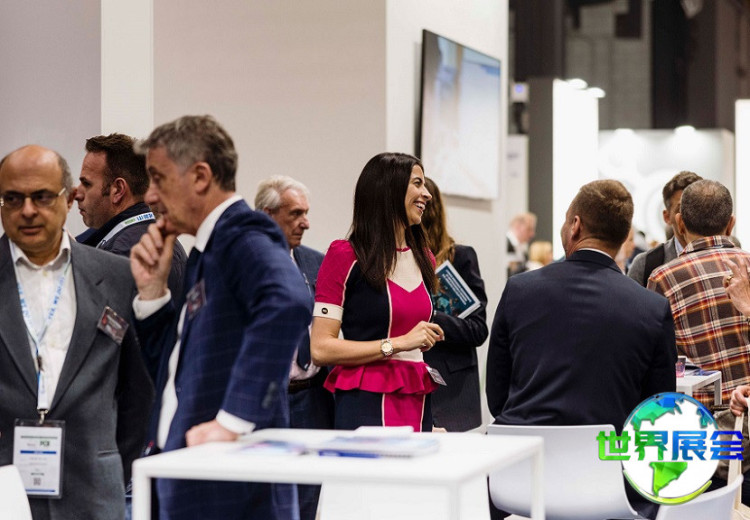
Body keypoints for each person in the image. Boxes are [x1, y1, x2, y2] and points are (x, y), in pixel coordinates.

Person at [130, 115, 310, 520]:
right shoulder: (207, 250)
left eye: (158, 179)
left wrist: (233, 421)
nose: (151, 195)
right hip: (196, 484)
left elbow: (289, 300)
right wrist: (153, 294)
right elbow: (179, 372)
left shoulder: (241, 233)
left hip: (230, 493)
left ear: (200, 176)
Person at [486, 179, 676, 519]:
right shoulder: (651, 308)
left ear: (575, 225)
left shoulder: (519, 290)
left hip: (518, 481)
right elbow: (657, 412)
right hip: (610, 487)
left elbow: (497, 394)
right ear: (623, 236)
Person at [0, 145, 153, 520]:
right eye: (13, 199)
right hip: (6, 491)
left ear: (69, 199)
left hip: (93, 494)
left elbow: (139, 392)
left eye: (42, 197)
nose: (28, 210)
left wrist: (106, 461)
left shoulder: (117, 276)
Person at [310, 152, 444, 432]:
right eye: (417, 183)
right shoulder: (345, 256)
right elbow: (321, 348)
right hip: (365, 402)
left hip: (417, 401)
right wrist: (398, 343)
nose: (427, 194)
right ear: (389, 189)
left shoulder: (425, 258)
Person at [74, 133, 187, 378]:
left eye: (86, 184)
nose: (77, 193)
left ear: (117, 190)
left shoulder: (129, 252)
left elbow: (102, 344)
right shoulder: (136, 238)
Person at [255, 175, 334, 520]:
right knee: (265, 497)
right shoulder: (244, 264)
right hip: (265, 400)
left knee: (308, 497)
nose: (306, 223)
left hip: (311, 399)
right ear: (267, 214)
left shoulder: (316, 263)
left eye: (306, 213)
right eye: (296, 214)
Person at [648, 179, 750, 406]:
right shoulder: (747, 265)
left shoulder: (662, 278)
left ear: (680, 224)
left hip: (698, 416)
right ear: (731, 224)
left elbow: (655, 360)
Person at [420, 176, 488, 432]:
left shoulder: (460, 258)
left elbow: (478, 330)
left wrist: (430, 315)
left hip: (452, 390)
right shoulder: (392, 260)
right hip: (405, 381)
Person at [628, 171, 703, 286]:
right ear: (667, 217)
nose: (691, 215)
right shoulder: (645, 264)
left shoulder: (726, 258)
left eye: (697, 207)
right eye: (681, 209)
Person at [506, 212, 536, 276]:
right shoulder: (505, 245)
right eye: (529, 229)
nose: (532, 234)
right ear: (517, 226)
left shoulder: (522, 248)